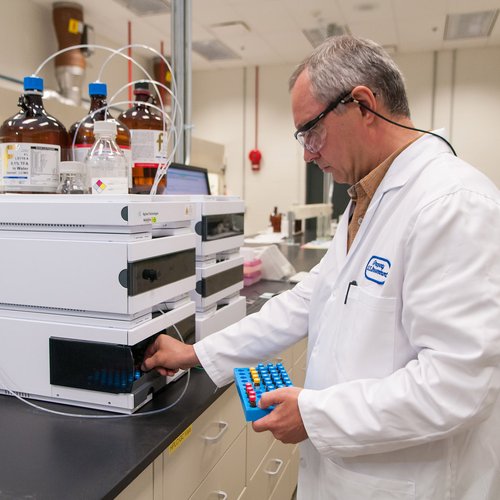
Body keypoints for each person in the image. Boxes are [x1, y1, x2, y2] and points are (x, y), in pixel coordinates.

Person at [142, 35, 500, 499]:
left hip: (413, 482)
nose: (307, 152)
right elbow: (307, 298)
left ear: (364, 105)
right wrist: (194, 353)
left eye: (310, 131)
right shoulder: (366, 199)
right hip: (348, 473)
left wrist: (316, 414)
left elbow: (456, 385)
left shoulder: (452, 204)